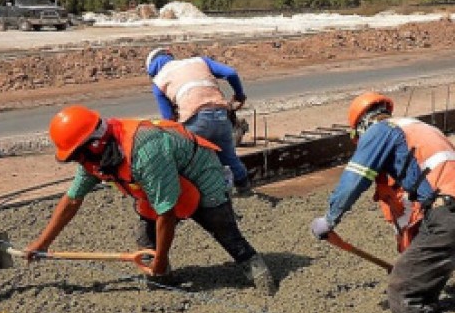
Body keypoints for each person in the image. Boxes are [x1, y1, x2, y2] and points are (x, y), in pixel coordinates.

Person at [24, 105, 276, 294]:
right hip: (158, 183)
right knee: (146, 240)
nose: (77, 161)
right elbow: (71, 200)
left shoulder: (144, 151)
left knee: (222, 227)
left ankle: (255, 268)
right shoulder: (93, 159)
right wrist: (42, 243)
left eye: (77, 155)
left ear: (95, 142)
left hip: (199, 173)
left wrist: (162, 257)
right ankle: (161, 282)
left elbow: (166, 211)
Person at [310, 92, 455, 313]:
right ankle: (426, 300)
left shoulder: (379, 132)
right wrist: (408, 257)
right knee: (417, 271)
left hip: (451, 212)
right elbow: (413, 203)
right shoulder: (418, 128)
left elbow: (354, 179)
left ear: (361, 127)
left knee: (402, 289)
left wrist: (329, 219)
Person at [145, 47, 251, 192]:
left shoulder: (159, 82)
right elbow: (231, 73)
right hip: (221, 116)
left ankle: (198, 198)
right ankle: (245, 189)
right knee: (229, 157)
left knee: (190, 162)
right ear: (169, 55)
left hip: (195, 122)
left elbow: (169, 121)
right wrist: (239, 95)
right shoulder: (199, 61)